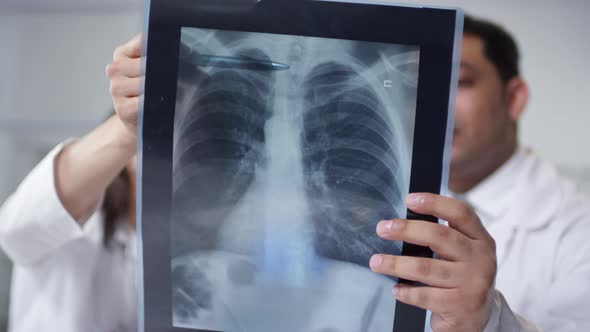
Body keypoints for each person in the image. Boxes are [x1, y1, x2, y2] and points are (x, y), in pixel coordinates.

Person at [1, 14, 589, 332]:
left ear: (515, 97)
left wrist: (488, 321)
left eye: (457, 84)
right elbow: (21, 229)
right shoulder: (103, 216)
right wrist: (126, 128)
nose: (435, 106)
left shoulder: (570, 226)